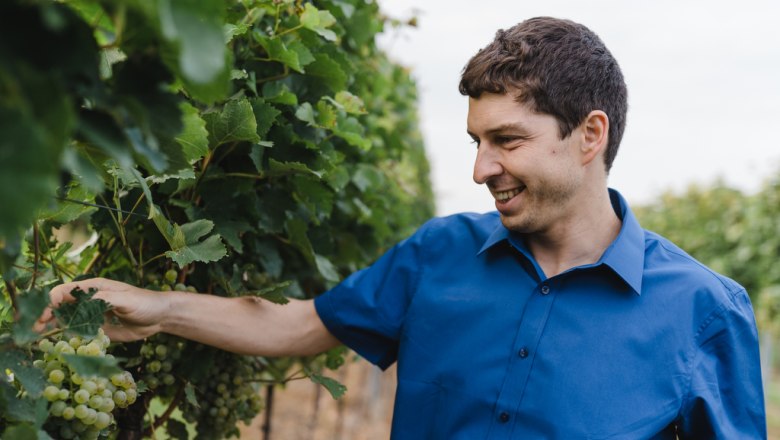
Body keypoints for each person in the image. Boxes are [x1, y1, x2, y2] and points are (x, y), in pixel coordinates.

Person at [40, 16, 766, 439]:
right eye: (475, 142)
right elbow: (294, 328)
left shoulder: (705, 314)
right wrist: (156, 307)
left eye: (506, 141)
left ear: (589, 134)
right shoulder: (437, 255)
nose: (482, 168)